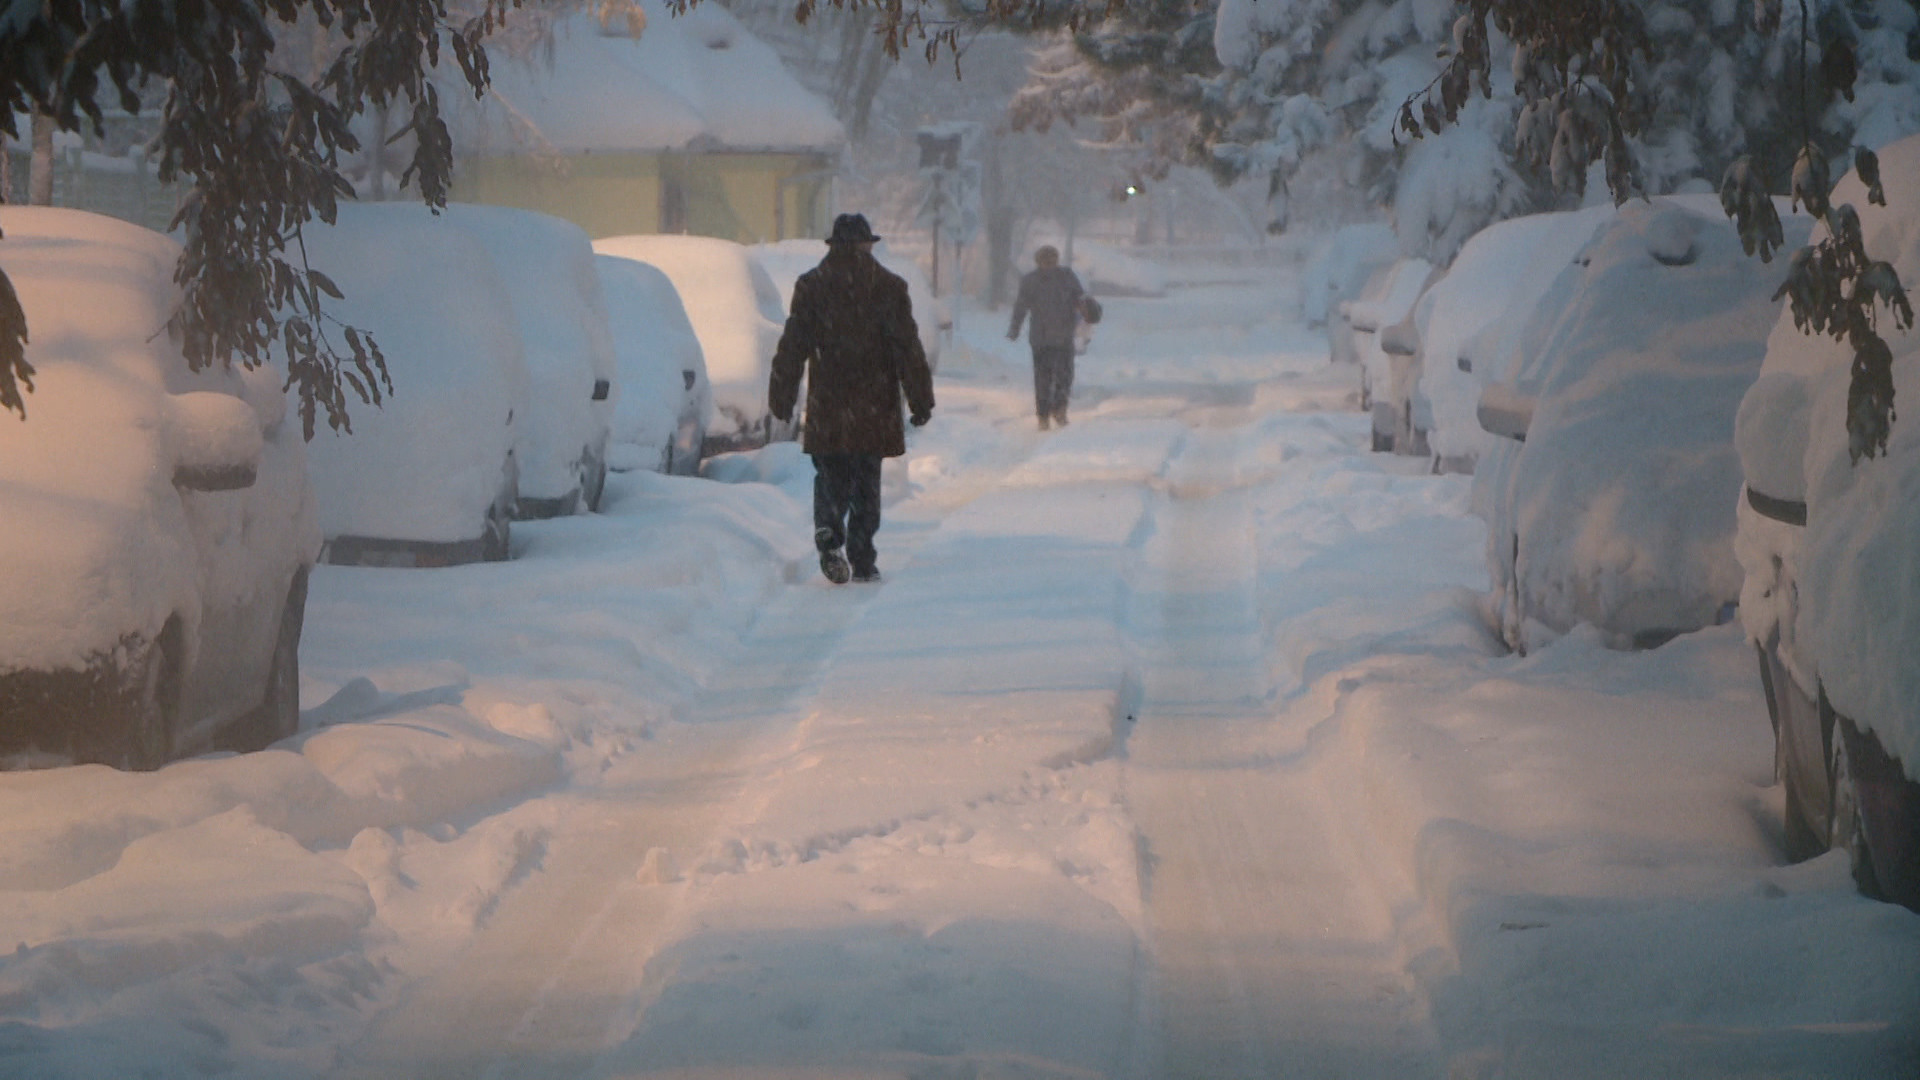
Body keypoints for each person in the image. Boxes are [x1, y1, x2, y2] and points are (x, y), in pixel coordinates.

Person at [769, 212, 935, 585]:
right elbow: (908, 347)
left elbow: (793, 343)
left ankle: (829, 530)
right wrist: (921, 398)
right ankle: (862, 557)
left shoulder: (812, 285)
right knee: (865, 482)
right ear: (866, 244)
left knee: (830, 476)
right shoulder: (888, 287)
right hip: (873, 403)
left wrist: (781, 392)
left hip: (830, 401)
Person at [1006, 244, 1086, 430]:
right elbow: (1021, 307)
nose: (1049, 264)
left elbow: (1081, 301)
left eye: (1052, 261)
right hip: (1044, 339)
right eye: (1046, 261)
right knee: (1046, 377)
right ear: (1039, 262)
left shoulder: (1066, 277)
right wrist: (1014, 328)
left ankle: (1058, 410)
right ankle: (1045, 414)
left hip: (1059, 337)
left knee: (1062, 376)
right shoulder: (1034, 281)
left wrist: (1087, 313)